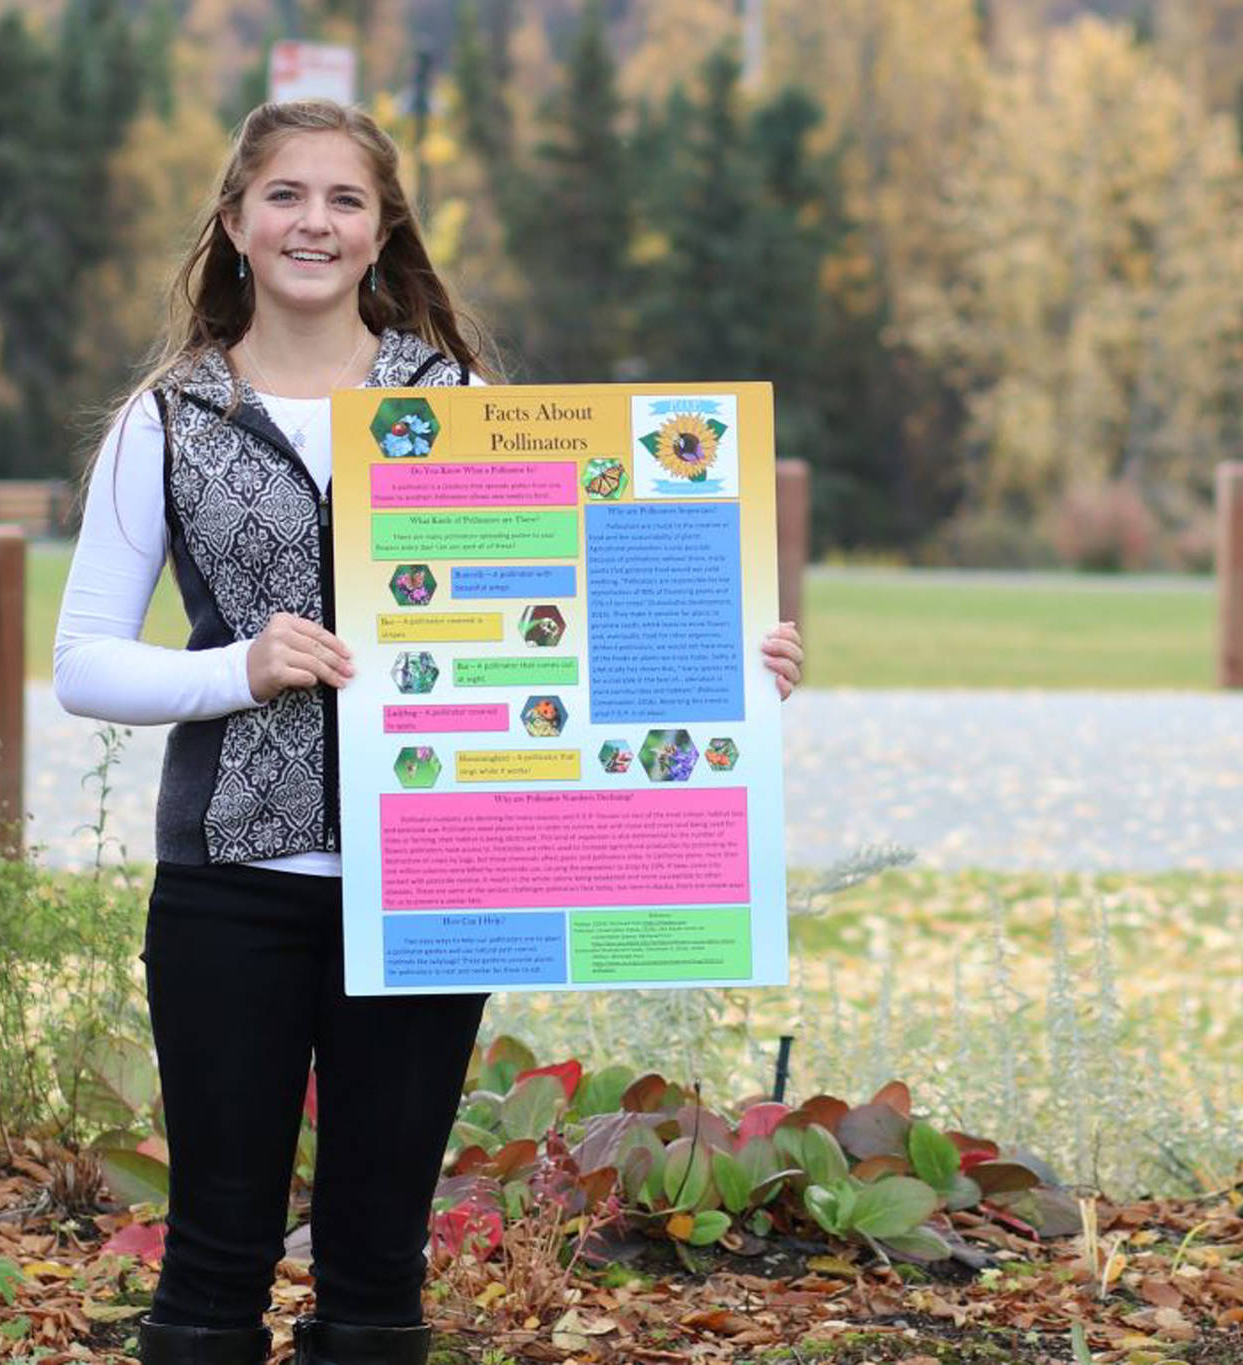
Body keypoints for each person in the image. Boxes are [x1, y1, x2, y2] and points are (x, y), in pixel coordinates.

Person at [54, 99, 805, 1365]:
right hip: (230, 882)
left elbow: (549, 614)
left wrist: (723, 669)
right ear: (235, 222)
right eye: (284, 195)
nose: (314, 221)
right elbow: (83, 663)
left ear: (381, 226)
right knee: (216, 1246)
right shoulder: (166, 419)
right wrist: (240, 668)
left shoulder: (454, 401)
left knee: (378, 1256)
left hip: (434, 881)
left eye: (344, 199)